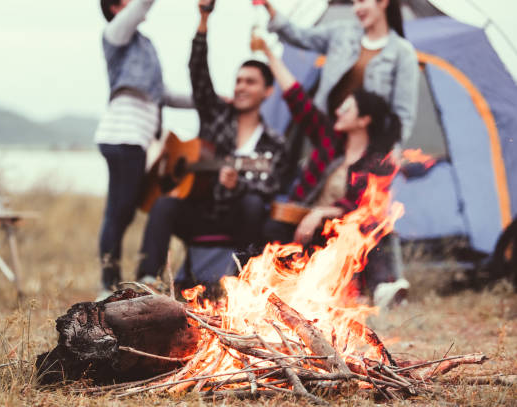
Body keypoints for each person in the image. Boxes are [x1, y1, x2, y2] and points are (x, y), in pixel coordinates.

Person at [135, 0, 287, 283]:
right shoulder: (216, 115)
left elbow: (269, 186)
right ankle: (146, 281)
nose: (241, 86)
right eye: (238, 80)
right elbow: (199, 74)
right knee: (164, 204)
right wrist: (204, 18)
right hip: (201, 211)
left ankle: (245, 285)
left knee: (253, 204)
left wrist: (238, 184)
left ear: (268, 91)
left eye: (250, 82)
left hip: (239, 220)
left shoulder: (273, 143)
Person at [253, 35, 406, 300]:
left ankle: (379, 288)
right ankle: (260, 285)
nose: (338, 112)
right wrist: (269, 53)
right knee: (269, 226)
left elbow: (361, 209)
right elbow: (296, 99)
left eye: (346, 109)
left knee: (370, 227)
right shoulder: (330, 144)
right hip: (304, 226)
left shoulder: (376, 162)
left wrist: (321, 212)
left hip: (339, 231)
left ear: (363, 120)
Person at [95, 0, 193, 298]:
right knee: (118, 212)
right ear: (114, 7)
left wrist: (209, 100)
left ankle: (113, 281)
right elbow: (140, 7)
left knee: (121, 212)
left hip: (135, 140)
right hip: (122, 135)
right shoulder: (115, 33)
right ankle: (107, 284)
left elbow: (163, 94)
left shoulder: (145, 45)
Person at [261, 0, 418, 142]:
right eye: (354, 3)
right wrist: (272, 12)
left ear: (383, 2)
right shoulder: (342, 33)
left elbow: (403, 114)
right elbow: (301, 37)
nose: (356, 9)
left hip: (367, 142)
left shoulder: (402, 52)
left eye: (362, 2)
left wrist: (392, 148)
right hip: (327, 133)